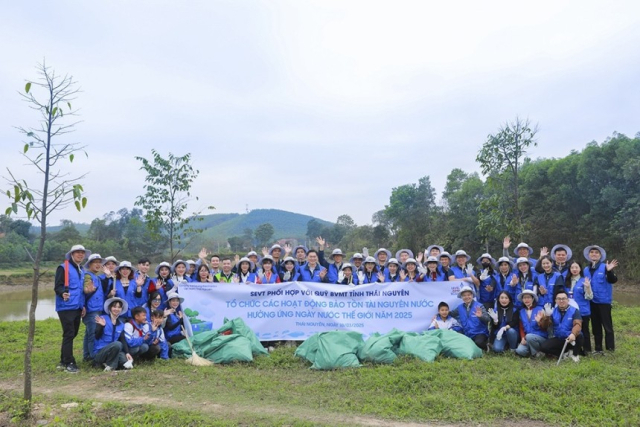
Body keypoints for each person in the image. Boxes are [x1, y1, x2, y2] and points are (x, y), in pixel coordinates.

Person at [54, 244, 90, 373]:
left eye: (82, 253)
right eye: (77, 252)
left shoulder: (81, 269)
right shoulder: (63, 268)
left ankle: (63, 360)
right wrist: (62, 292)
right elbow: (57, 286)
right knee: (69, 333)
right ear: (72, 254)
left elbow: (81, 290)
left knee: (72, 333)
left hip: (78, 306)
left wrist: (83, 306)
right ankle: (69, 362)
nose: (80, 255)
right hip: (66, 306)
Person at [583, 245, 618, 354]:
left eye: (596, 253)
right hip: (591, 302)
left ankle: (610, 349)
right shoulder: (585, 269)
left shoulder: (605, 267)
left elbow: (613, 280)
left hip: (604, 301)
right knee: (595, 326)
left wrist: (609, 271)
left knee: (607, 326)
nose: (594, 254)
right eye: (592, 252)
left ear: (600, 255)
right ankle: (598, 348)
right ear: (589, 255)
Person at [539, 290, 583, 362]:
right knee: (544, 347)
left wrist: (573, 334)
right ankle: (563, 354)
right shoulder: (553, 311)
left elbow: (578, 324)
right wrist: (546, 317)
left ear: (568, 300)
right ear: (556, 300)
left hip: (571, 337)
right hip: (559, 337)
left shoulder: (574, 311)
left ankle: (575, 354)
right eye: (559, 299)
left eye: (563, 299)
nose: (561, 301)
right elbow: (545, 326)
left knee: (580, 335)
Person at [93, 297, 133, 372]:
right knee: (117, 344)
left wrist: (127, 353)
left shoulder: (121, 324)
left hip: (113, 351)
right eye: (114, 306)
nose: (116, 309)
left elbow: (122, 338)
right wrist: (102, 326)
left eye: (119, 307)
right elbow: (96, 336)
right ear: (110, 308)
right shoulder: (102, 319)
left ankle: (108, 364)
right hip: (101, 352)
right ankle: (111, 366)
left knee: (125, 362)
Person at [563, 260, 593, 354]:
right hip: (570, 310)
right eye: (572, 267)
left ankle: (587, 349)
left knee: (584, 330)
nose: (574, 269)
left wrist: (588, 287)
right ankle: (575, 349)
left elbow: (589, 297)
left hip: (582, 310)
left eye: (576, 267)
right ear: (570, 269)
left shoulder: (584, 280)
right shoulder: (566, 281)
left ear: (580, 269)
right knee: (572, 329)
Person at [82, 253, 107, 362]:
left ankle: (87, 356)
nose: (98, 265)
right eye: (95, 262)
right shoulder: (88, 276)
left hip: (96, 309)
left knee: (88, 334)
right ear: (89, 264)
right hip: (91, 310)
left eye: (99, 262)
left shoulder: (96, 277)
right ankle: (93, 357)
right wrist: (88, 290)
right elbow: (86, 289)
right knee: (93, 334)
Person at [450, 286, 491, 350]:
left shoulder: (479, 306)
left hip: (480, 333)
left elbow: (488, 320)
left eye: (469, 295)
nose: (467, 297)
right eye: (464, 295)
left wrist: (481, 316)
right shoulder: (459, 307)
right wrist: (438, 315)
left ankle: (487, 346)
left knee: (478, 343)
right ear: (461, 297)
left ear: (472, 295)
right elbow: (451, 314)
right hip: (467, 333)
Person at [515, 290, 550, 358]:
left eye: (528, 297)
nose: (526, 300)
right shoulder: (521, 312)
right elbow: (521, 327)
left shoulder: (540, 310)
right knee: (520, 351)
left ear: (533, 299)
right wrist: (522, 338)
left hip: (540, 338)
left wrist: (539, 322)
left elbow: (545, 328)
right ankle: (533, 351)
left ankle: (536, 354)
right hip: (528, 338)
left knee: (529, 337)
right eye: (524, 298)